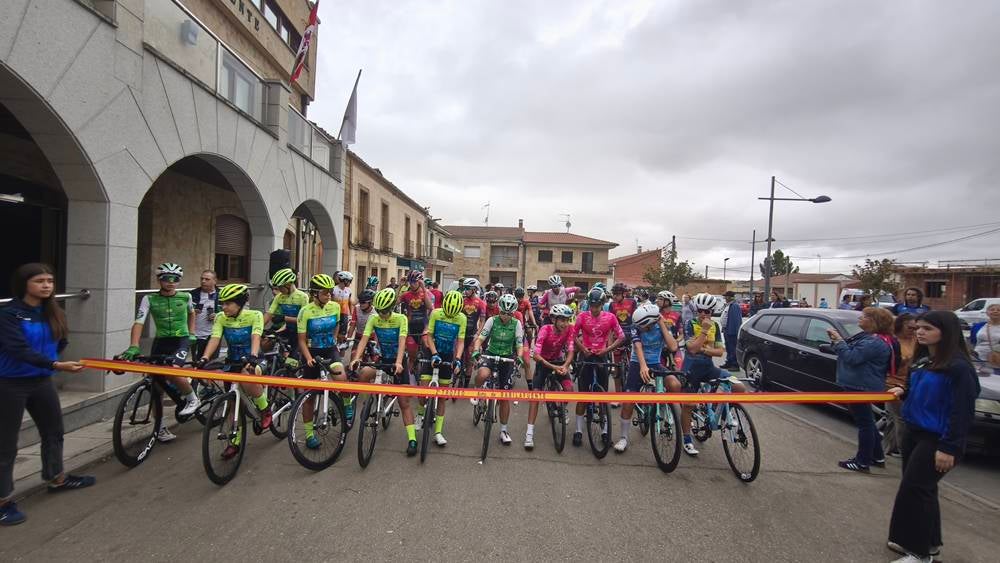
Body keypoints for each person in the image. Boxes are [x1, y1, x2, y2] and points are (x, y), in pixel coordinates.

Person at [1, 263, 94, 526]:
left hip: (42, 381)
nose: (46, 285)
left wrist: (53, 362)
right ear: (24, 284)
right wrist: (55, 364)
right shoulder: (9, 314)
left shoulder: (55, 312)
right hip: (10, 383)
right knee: (6, 444)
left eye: (50, 281)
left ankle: (57, 478)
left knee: (53, 431)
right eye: (39, 281)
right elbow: (17, 349)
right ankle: (3, 501)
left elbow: (62, 340)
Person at [886, 311, 979, 563]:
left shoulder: (959, 368)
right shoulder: (924, 360)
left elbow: (961, 412)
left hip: (937, 438)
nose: (919, 332)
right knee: (922, 489)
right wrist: (903, 391)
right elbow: (920, 391)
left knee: (916, 489)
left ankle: (920, 553)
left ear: (946, 332)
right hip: (914, 432)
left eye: (927, 328)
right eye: (918, 327)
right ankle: (927, 542)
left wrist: (949, 447)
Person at [119, 262, 200, 441]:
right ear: (159, 280)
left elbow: (192, 313)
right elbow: (139, 322)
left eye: (175, 279)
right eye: (166, 278)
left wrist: (192, 332)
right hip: (161, 341)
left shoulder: (186, 296)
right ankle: (160, 427)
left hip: (181, 339)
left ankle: (193, 398)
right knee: (156, 387)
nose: (171, 282)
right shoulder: (149, 299)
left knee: (172, 369)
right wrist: (134, 345)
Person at [197, 284, 271, 459]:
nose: (223, 307)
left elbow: (256, 336)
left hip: (254, 358)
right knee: (232, 404)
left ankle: (264, 408)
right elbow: (215, 338)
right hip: (232, 361)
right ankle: (234, 441)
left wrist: (252, 356)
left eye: (228, 303)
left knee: (246, 376)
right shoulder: (221, 318)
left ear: (239, 303)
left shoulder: (254, 315)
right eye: (222, 303)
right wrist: (205, 358)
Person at [828, 306, 897, 472]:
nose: (860, 318)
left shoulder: (874, 342)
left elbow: (852, 357)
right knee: (869, 423)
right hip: (863, 384)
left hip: (861, 386)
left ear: (873, 321)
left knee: (864, 424)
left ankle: (862, 461)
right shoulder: (873, 338)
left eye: (864, 316)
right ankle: (877, 456)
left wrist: (838, 340)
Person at [350, 288, 418, 456]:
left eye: (385, 311)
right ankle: (368, 402)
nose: (382, 314)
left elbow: (402, 342)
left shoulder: (401, 318)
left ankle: (412, 439)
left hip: (397, 360)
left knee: (404, 403)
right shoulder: (374, 318)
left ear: (392, 308)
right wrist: (356, 358)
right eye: (379, 311)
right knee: (364, 373)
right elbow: (364, 339)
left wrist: (398, 362)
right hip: (382, 358)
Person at [682, 293, 747, 456]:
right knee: (688, 406)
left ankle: (718, 408)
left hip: (709, 368)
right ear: (696, 310)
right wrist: (704, 332)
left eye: (708, 311)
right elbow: (692, 349)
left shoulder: (716, 327)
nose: (704, 314)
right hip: (691, 369)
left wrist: (704, 349)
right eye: (701, 311)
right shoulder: (690, 323)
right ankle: (687, 439)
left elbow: (720, 352)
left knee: (739, 387)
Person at [615, 303, 679, 453]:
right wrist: (643, 366)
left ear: (650, 323)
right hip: (638, 362)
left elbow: (673, 347)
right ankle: (623, 437)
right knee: (628, 402)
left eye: (643, 326)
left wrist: (662, 324)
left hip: (656, 362)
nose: (640, 328)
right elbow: (638, 347)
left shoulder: (659, 326)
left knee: (674, 384)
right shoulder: (636, 326)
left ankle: (663, 408)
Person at [296, 274, 347, 449]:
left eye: (330, 293)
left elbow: (337, 325)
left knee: (341, 378)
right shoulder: (305, 311)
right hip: (312, 352)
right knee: (309, 395)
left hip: (330, 350)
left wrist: (334, 340)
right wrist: (308, 358)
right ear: (315, 293)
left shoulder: (334, 306)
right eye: (325, 293)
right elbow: (301, 340)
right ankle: (309, 434)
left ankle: (346, 405)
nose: (329, 296)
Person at [572, 288, 625, 447]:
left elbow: (621, 336)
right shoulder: (582, 316)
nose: (594, 309)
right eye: (592, 306)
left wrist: (607, 350)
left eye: (597, 306)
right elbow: (572, 335)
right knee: (582, 396)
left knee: (603, 397)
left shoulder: (610, 317)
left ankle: (604, 431)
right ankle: (578, 430)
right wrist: (582, 349)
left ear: (602, 304)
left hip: (602, 355)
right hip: (586, 355)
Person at [471, 294, 525, 445]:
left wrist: (519, 357)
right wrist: (476, 350)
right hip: (491, 353)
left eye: (509, 314)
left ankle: (503, 430)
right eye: (503, 312)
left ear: (513, 313)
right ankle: (476, 391)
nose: (506, 316)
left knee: (505, 397)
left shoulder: (517, 324)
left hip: (507, 358)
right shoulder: (491, 320)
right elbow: (481, 338)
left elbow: (520, 344)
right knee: (483, 374)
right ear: (499, 310)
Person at [525, 304, 575, 449]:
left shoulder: (569, 329)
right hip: (543, 363)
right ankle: (529, 434)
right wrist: (554, 367)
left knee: (569, 390)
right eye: (562, 320)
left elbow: (571, 350)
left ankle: (561, 408)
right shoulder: (545, 329)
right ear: (553, 319)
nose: (565, 323)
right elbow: (536, 356)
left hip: (559, 362)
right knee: (535, 397)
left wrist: (565, 365)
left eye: (567, 320)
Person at [419, 291, 467, 446]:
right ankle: (420, 415)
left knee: (442, 397)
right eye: (448, 313)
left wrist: (458, 359)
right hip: (432, 351)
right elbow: (429, 336)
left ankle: (438, 432)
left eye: (453, 315)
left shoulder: (462, 318)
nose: (450, 316)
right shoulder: (436, 313)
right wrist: (433, 353)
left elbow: (460, 342)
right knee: (423, 391)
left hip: (447, 355)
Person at [884, 314, 917, 457]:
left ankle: (889, 448)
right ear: (900, 325)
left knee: (892, 417)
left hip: (910, 383)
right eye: (910, 327)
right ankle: (905, 451)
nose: (913, 330)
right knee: (901, 416)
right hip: (892, 383)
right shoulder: (892, 341)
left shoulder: (917, 340)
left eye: (916, 328)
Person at [264, 268, 309, 356]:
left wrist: (284, 318)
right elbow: (269, 314)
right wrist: (258, 328)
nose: (279, 290)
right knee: (266, 343)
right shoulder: (279, 297)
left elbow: (303, 320)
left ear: (288, 285)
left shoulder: (303, 297)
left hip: (300, 331)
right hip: (287, 329)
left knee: (292, 360)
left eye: (280, 287)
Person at [400, 271, 433, 378]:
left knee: (427, 345)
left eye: (414, 282)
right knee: (411, 354)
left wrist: (424, 289)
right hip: (411, 327)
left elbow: (429, 307)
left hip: (424, 325)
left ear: (419, 282)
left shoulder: (427, 293)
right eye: (410, 282)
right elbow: (393, 302)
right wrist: (399, 287)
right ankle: (410, 377)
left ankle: (428, 370)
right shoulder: (406, 294)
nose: (412, 284)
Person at [460, 279, 487, 386]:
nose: (465, 291)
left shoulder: (481, 303)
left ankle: (466, 385)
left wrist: (478, 334)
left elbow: (482, 321)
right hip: (461, 333)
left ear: (475, 289)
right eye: (464, 288)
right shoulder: (461, 300)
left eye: (468, 289)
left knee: (469, 360)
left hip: (472, 334)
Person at [190, 270, 219, 360]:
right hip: (195, 333)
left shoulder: (221, 294)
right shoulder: (192, 294)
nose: (203, 281)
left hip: (213, 334)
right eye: (202, 279)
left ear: (214, 281)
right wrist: (192, 312)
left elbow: (228, 313)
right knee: (196, 360)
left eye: (207, 279)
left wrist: (218, 315)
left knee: (211, 362)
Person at [970, 303, 1000, 369]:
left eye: (998, 310)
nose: (995, 311)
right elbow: (973, 342)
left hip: (996, 360)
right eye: (992, 309)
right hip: (977, 359)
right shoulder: (978, 326)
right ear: (987, 313)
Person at [720, 291, 743, 370]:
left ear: (730, 297)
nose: (725, 298)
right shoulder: (729, 305)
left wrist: (736, 332)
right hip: (727, 330)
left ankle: (735, 364)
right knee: (728, 348)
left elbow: (736, 320)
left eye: (726, 296)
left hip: (732, 331)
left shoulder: (734, 306)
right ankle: (729, 362)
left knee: (732, 348)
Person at [332, 271, 354, 343]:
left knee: (342, 338)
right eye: (349, 281)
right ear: (345, 280)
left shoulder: (349, 291)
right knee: (334, 335)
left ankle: (341, 353)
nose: (350, 283)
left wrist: (351, 314)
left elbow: (350, 303)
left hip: (344, 315)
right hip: (334, 315)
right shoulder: (333, 289)